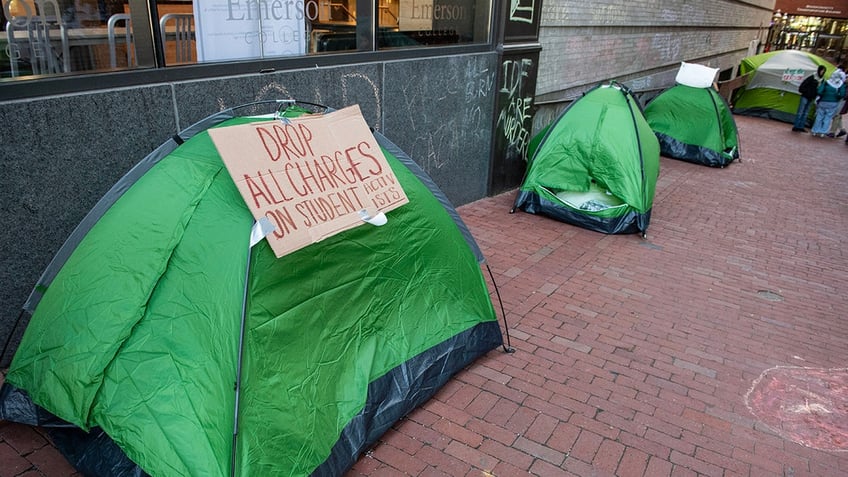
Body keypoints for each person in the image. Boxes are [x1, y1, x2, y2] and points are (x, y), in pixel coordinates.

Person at [811, 69, 847, 137]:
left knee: (819, 116)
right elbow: (842, 94)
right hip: (833, 102)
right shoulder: (840, 84)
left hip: (823, 101)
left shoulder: (827, 82)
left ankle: (815, 131)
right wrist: (837, 97)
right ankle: (823, 132)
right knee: (828, 117)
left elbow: (819, 91)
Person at [793, 65, 826, 132]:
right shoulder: (812, 77)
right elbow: (803, 85)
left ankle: (801, 126)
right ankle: (796, 126)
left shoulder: (822, 80)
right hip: (805, 96)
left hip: (811, 97)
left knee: (806, 113)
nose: (822, 72)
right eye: (822, 70)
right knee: (801, 111)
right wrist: (806, 91)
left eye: (824, 71)